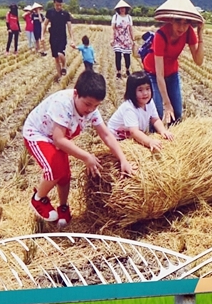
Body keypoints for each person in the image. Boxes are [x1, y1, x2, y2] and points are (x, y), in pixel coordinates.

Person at [22, 70, 135, 228]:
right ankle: (38, 198)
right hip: (38, 134)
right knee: (55, 169)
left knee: (65, 174)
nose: (90, 109)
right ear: (76, 94)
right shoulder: (63, 104)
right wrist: (86, 157)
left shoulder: (92, 109)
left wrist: (123, 159)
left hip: (58, 137)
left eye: (96, 105)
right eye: (88, 104)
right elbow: (58, 139)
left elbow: (106, 134)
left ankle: (63, 207)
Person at [144, 0, 204, 125]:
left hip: (172, 73)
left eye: (186, 22)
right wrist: (167, 103)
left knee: (177, 114)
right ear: (171, 19)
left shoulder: (188, 32)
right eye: (178, 21)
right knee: (157, 114)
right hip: (154, 74)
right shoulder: (160, 36)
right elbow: (159, 75)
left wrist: (200, 34)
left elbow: (198, 61)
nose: (182, 27)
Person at [107, 71, 173, 152]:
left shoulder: (150, 102)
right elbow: (134, 132)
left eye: (148, 89)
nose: (145, 93)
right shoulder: (129, 108)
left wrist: (163, 131)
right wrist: (150, 142)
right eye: (140, 90)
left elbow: (155, 119)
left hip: (131, 135)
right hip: (117, 138)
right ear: (132, 92)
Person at [45, 0, 73, 79]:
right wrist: (42, 36)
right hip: (53, 38)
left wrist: (72, 39)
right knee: (56, 58)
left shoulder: (65, 14)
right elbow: (45, 24)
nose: (59, 6)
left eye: (60, 5)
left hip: (62, 37)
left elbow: (69, 27)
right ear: (54, 3)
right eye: (57, 5)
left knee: (60, 53)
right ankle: (60, 76)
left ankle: (64, 65)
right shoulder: (50, 12)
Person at [111, 0, 135, 79]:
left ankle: (127, 69)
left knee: (127, 56)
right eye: (120, 8)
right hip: (118, 39)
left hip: (126, 39)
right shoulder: (115, 17)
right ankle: (118, 72)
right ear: (118, 9)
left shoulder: (129, 17)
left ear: (126, 9)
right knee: (118, 56)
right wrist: (112, 39)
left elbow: (131, 29)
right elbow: (113, 29)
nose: (122, 9)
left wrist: (133, 39)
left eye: (123, 8)